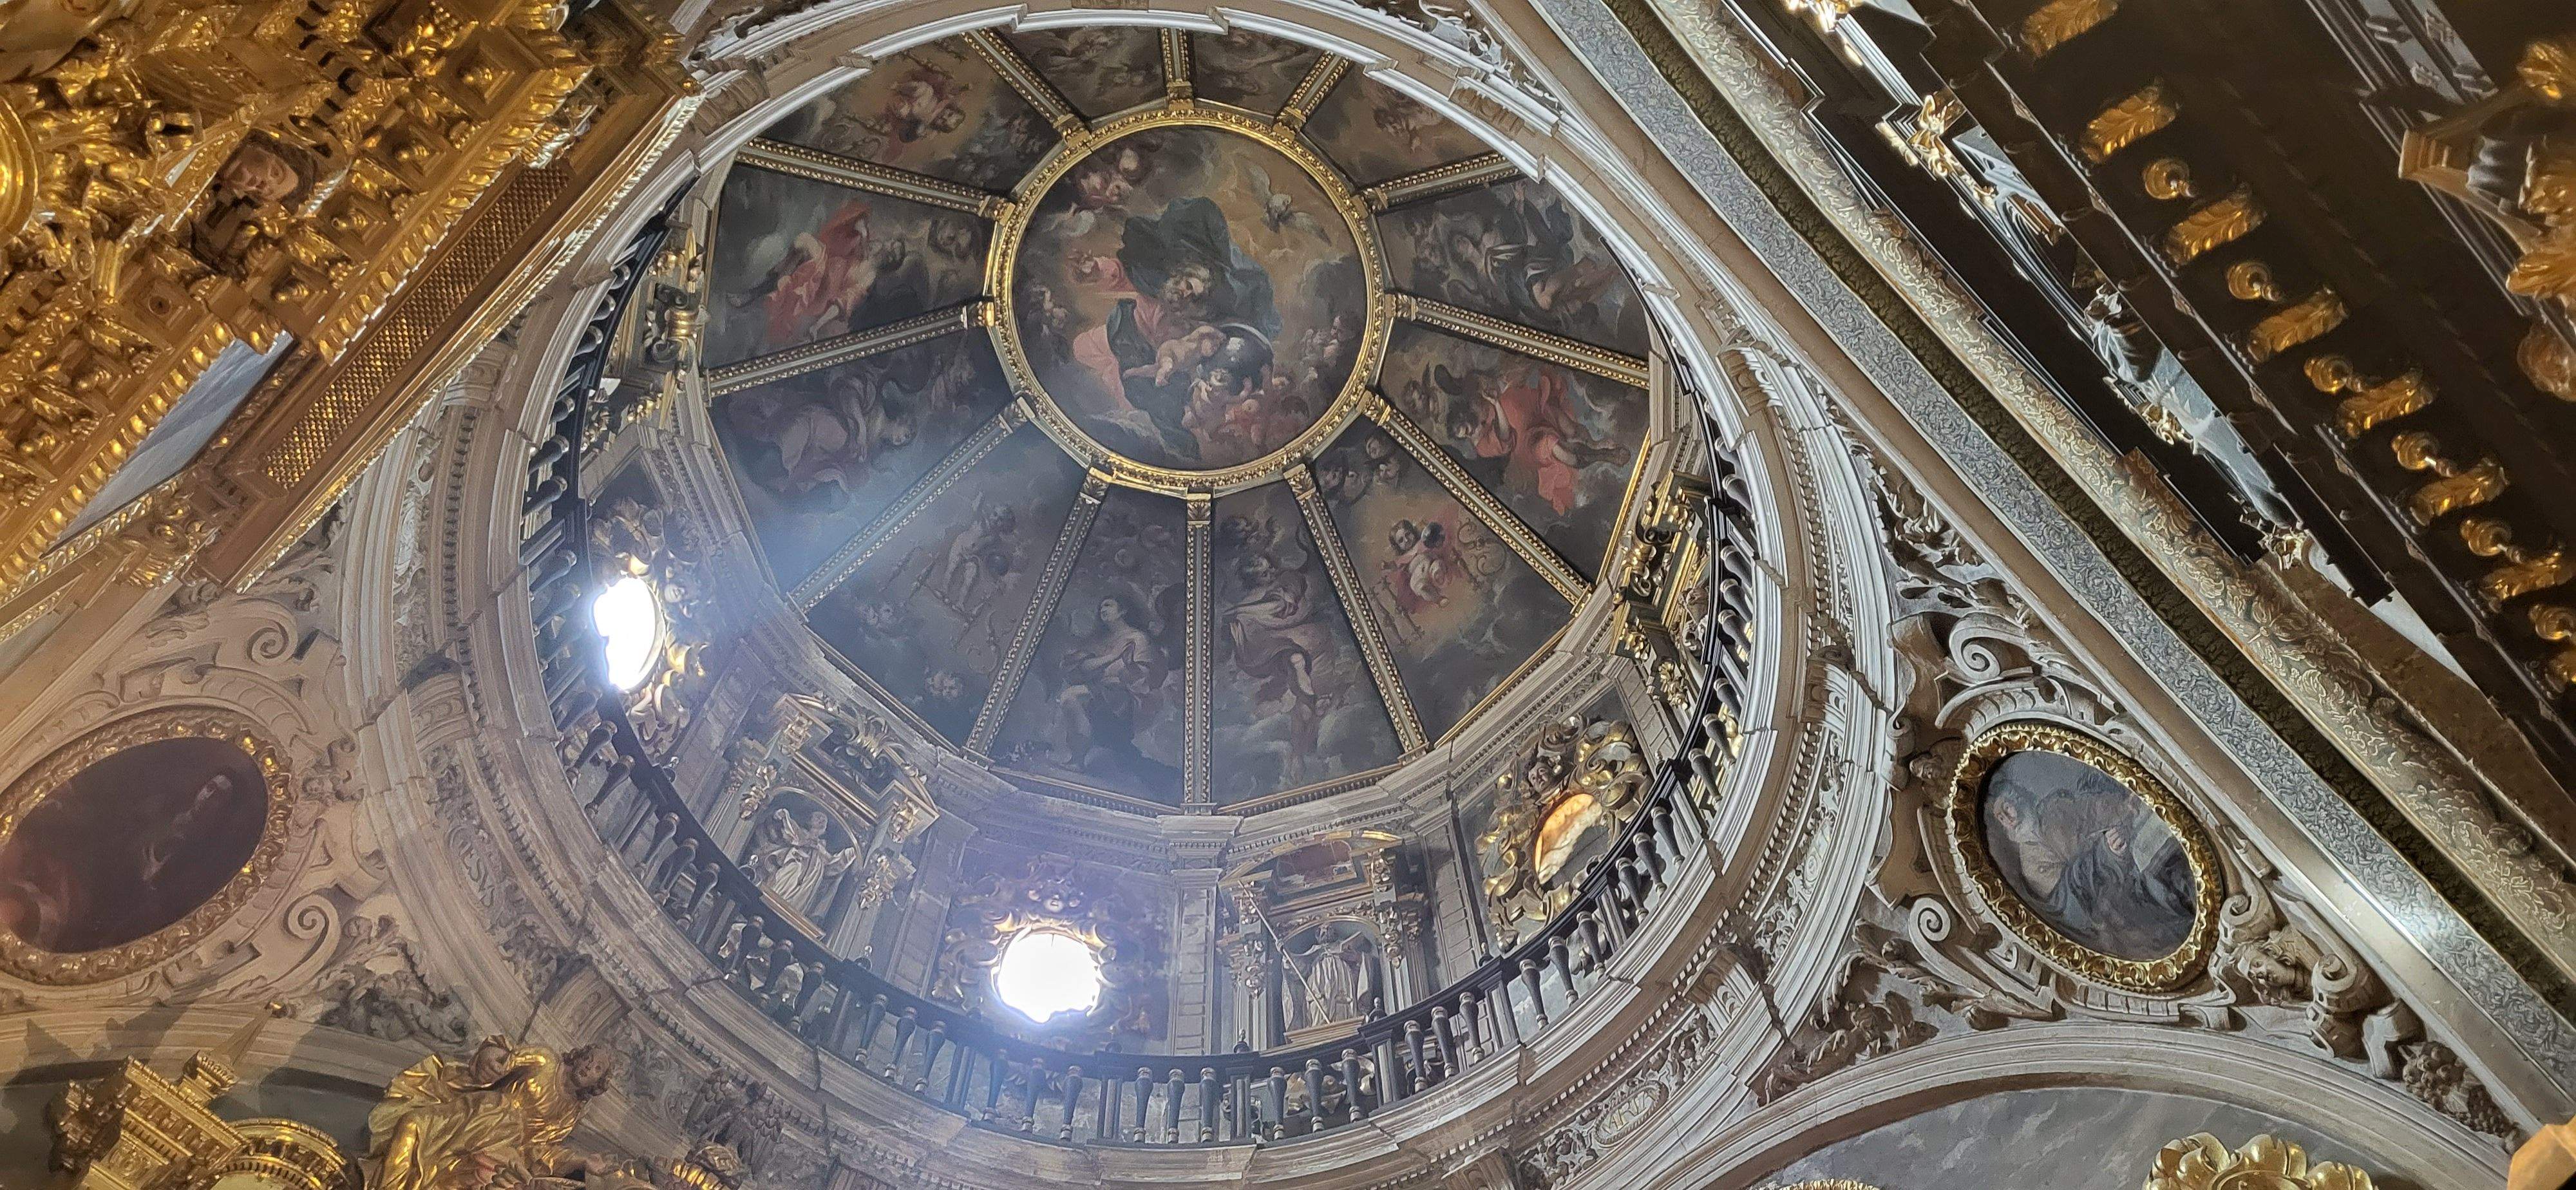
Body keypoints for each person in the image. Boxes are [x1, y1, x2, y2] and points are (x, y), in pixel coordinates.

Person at [363, 1038, 621, 1190]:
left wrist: (581, 1162)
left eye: (597, 1068)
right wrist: (490, 1058)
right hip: (482, 1112)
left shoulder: (570, 1114)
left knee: (454, 1180)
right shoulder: (545, 1061)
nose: (589, 1066)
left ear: (599, 1082)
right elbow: (504, 1058)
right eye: (589, 1058)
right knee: (412, 1125)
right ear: (579, 1056)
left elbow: (541, 1149)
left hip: (503, 1147)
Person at [748, 808, 856, 908]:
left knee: (803, 893)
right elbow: (792, 830)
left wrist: (848, 855)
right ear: (809, 821)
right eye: (818, 817)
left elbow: (831, 863)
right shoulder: (803, 833)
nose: (822, 820)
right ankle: (772, 900)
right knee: (790, 875)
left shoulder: (822, 845)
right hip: (797, 860)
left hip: (814, 873)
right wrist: (784, 815)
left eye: (824, 820)